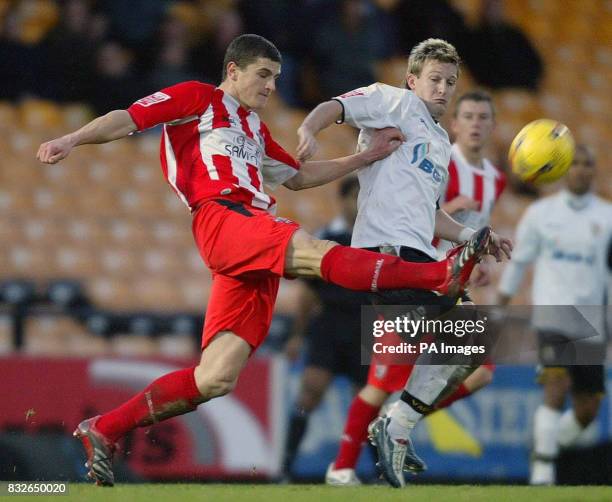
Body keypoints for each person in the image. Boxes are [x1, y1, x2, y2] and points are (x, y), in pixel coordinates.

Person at [37, 34, 486, 487]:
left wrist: (367, 155)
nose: (271, 86)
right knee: (311, 250)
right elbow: (128, 119)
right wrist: (72, 139)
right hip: (223, 217)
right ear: (233, 70)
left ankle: (104, 428)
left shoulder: (254, 129)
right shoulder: (198, 97)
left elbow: (299, 176)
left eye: (276, 78)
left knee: (215, 378)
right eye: (263, 75)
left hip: (247, 239)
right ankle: (438, 273)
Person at [296, 38, 513, 488]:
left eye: (450, 82)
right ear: (413, 79)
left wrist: (477, 235)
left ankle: (390, 427)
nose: (442, 89)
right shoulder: (392, 101)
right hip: (387, 255)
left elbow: (433, 214)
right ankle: (393, 428)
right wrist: (309, 130)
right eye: (434, 79)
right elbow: (335, 105)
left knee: (474, 344)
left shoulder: (437, 139)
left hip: (420, 257)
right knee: (472, 339)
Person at [498, 144, 612, 485]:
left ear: (594, 170)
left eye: (587, 164)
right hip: (552, 313)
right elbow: (519, 262)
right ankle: (542, 472)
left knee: (587, 411)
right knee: (555, 386)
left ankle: (544, 444)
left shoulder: (607, 216)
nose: (580, 169)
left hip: (590, 318)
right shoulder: (541, 213)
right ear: (563, 170)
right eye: (574, 163)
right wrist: (501, 305)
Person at [281, 176, 371, 480]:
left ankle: (381, 471)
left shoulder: (379, 237)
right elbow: (308, 293)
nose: (359, 205)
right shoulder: (325, 238)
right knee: (310, 393)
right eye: (354, 197)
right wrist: (297, 335)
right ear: (343, 200)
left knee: (370, 401)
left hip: (366, 327)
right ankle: (285, 466)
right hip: (330, 324)